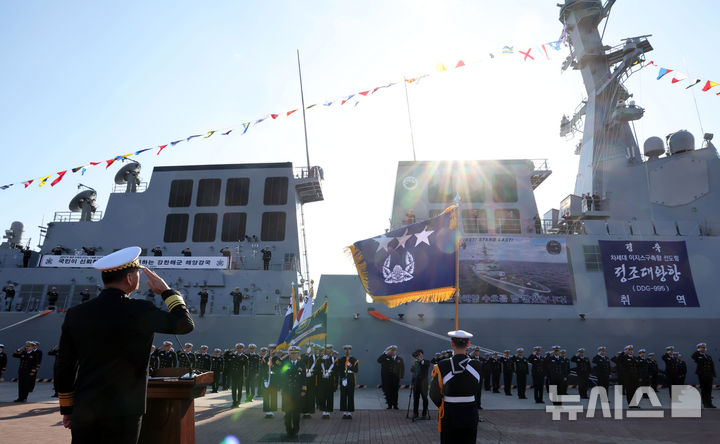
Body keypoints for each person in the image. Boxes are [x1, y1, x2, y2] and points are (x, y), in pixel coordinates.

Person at [56, 246, 194, 443]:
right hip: (124, 411)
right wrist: (167, 292)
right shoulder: (140, 310)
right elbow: (184, 325)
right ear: (130, 278)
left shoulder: (76, 313)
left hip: (84, 408)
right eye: (137, 272)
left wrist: (68, 409)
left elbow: (65, 365)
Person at [429, 330, 482, 444]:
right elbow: (478, 388)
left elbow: (434, 394)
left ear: (452, 344)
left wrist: (443, 404)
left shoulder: (442, 365)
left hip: (449, 411)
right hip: (470, 410)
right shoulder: (478, 365)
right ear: (468, 345)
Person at [280, 345, 307, 439]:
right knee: (287, 413)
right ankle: (288, 430)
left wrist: (303, 389)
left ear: (298, 354)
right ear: (289, 354)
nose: (293, 355)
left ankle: (295, 430)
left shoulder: (302, 364)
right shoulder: (285, 363)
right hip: (287, 391)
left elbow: (304, 378)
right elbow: (282, 377)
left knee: (296, 412)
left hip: (297, 392)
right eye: (291, 353)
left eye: (295, 353)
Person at [335, 345, 359, 420]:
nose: (347, 351)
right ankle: (345, 412)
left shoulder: (354, 360)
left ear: (351, 350)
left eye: (348, 349)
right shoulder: (341, 359)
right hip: (343, 380)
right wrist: (340, 380)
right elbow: (338, 370)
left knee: (350, 396)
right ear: (344, 351)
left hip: (351, 379)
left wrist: (350, 365)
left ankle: (350, 413)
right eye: (345, 349)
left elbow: (356, 370)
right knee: (343, 396)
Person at [377, 345, 404, 410]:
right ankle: (389, 405)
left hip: (395, 378)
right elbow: (378, 360)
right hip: (387, 378)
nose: (393, 352)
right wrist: (385, 353)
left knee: (395, 391)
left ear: (396, 351)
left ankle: (395, 405)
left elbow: (402, 368)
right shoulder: (385, 358)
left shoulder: (399, 359)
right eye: (391, 350)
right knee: (388, 391)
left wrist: (401, 376)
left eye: (394, 351)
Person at [691, 342, 716, 408]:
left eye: (704, 348)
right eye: (702, 348)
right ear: (699, 349)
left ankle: (710, 403)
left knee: (709, 389)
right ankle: (705, 403)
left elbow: (712, 366)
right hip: (702, 375)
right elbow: (693, 356)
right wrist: (698, 350)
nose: (704, 349)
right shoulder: (698, 356)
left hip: (709, 375)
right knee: (704, 389)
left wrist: (714, 374)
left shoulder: (708, 357)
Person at [316, 344, 336, 418]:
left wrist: (330, 373)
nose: (328, 350)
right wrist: (321, 360)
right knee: (323, 395)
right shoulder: (320, 358)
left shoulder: (333, 359)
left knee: (329, 396)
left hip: (330, 379)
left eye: (329, 349)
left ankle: (328, 411)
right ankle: (324, 411)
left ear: (331, 350)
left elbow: (336, 370)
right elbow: (317, 369)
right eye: (327, 349)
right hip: (322, 380)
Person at [410, 348, 430, 420]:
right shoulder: (416, 363)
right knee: (416, 399)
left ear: (422, 355)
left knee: (424, 399)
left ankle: (424, 414)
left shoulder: (426, 362)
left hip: (424, 384)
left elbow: (426, 365)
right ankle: (415, 413)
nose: (418, 356)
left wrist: (421, 360)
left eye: (420, 354)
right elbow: (413, 372)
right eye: (417, 355)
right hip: (416, 384)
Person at [301, 346, 318, 418]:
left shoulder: (315, 357)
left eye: (311, 348)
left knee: (311, 396)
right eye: (308, 348)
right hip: (304, 379)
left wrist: (312, 373)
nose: (309, 349)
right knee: (304, 394)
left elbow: (318, 368)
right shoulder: (303, 356)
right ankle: (304, 411)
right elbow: (301, 364)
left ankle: (309, 412)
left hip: (312, 379)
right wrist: (306, 355)